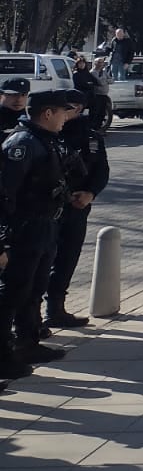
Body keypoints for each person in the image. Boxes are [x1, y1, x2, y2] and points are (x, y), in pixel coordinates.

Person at [0, 89, 82, 381]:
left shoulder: (47, 140)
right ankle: (5, 353)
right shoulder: (23, 144)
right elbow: (4, 195)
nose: (66, 117)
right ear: (47, 113)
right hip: (24, 230)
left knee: (34, 288)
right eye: (62, 112)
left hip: (45, 225)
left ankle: (28, 340)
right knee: (12, 293)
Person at [45, 92, 107, 329]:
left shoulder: (90, 136)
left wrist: (90, 193)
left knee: (67, 258)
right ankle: (31, 319)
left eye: (70, 107)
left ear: (79, 108)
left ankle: (56, 309)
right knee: (40, 262)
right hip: (47, 209)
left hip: (77, 207)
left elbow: (101, 169)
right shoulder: (48, 134)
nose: (66, 112)